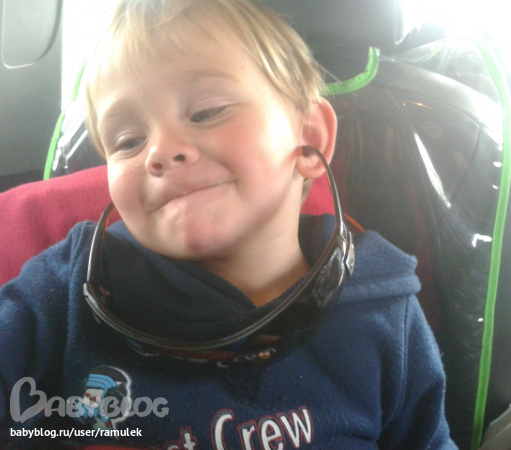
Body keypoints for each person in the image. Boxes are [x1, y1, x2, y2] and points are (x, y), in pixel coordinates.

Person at [0, 0, 457, 448]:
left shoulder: (382, 309)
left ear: (309, 138)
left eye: (206, 112)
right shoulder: (66, 290)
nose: (160, 150)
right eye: (128, 141)